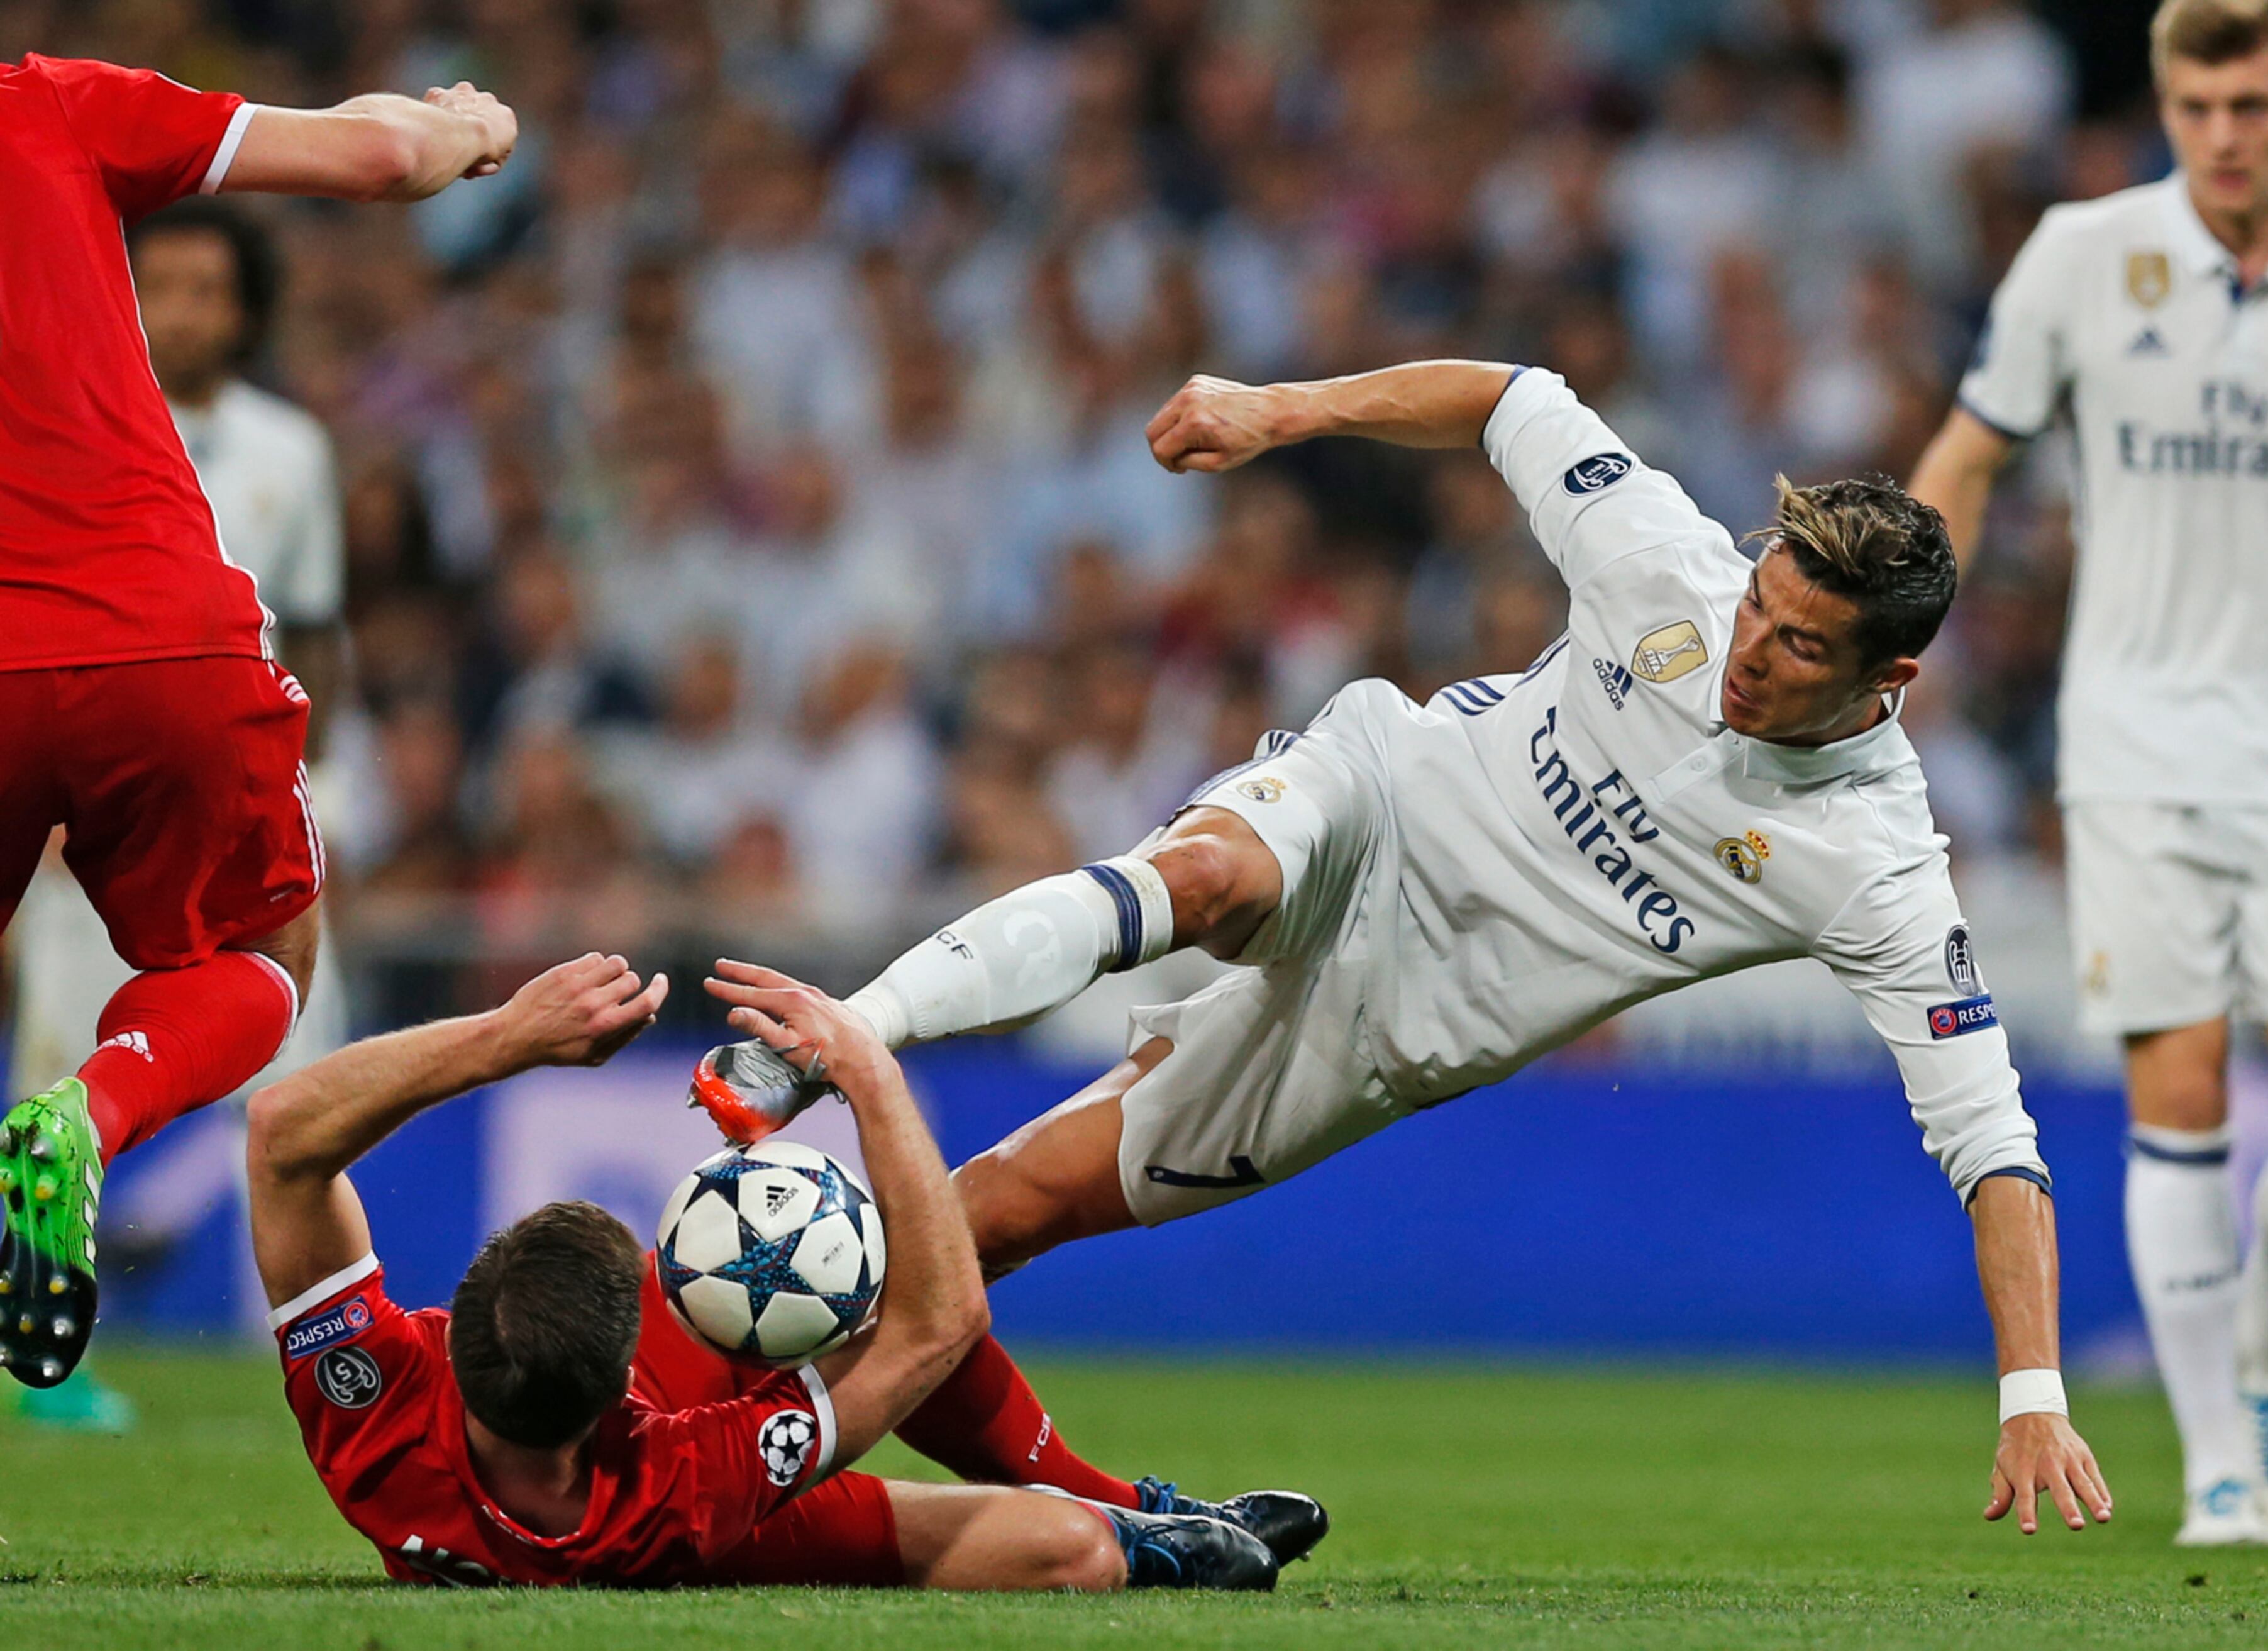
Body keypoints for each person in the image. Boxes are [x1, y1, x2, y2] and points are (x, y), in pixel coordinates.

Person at [805, 359, 2113, 1538]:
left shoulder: (1876, 863)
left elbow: (1994, 1140)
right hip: (1375, 802)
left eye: (1801, 645)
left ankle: (749, 1448)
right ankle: (842, 1033)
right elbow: (1509, 397)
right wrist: (1282, 409)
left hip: (1382, 1032)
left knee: (999, 1217)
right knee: (1205, 875)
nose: (1747, 652)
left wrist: (2034, 1392)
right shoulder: (1666, 564)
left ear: (1890, 683)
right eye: (1760, 606)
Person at [1908, 0, 2268, 1545]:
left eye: (2254, 103)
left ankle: (2254, 1341)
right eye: (2198, 104)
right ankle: (2226, 1456)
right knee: (2176, 1092)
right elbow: (1972, 450)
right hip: (2129, 747)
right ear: (2167, 109)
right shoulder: (2081, 255)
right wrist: (1889, 631)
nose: (2225, 134)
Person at [0, 55, 514, 1388]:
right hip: (160, 629)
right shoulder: (45, 105)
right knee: (271, 948)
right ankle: (90, 1116)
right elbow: (377, 160)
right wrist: (464, 126)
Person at [247, 951, 1319, 1591]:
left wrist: (508, 1035)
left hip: (644, 1527)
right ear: (624, 1384)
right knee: (1065, 1539)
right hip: (705, 1529)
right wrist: (867, 1068)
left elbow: (285, 1130)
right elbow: (934, 1323)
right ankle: (1133, 1512)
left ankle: (1144, 1528)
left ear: (451, 1335)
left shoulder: (376, 1415)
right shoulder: (683, 1474)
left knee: (1072, 1555)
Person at [9, 196, 350, 1431]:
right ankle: (57, 1353)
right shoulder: (64, 414)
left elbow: (317, 630)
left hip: (207, 778)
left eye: (208, 290)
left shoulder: (288, 452)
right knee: (93, 1045)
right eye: (159, 286)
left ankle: (306, 1339)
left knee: (302, 1084)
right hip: (114, 786)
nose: (182, 314)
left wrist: (333, 792)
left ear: (247, 309)